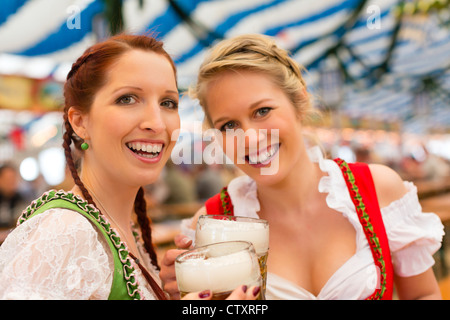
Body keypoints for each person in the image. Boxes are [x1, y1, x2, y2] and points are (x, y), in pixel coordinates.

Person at [160, 34, 444, 300]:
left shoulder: (378, 188)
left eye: (262, 111)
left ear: (300, 101)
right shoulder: (211, 225)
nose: (249, 138)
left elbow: (422, 294)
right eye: (229, 125)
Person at [0, 34, 258, 300]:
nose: (157, 123)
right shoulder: (65, 232)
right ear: (79, 122)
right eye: (127, 99)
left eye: (168, 103)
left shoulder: (118, 227)